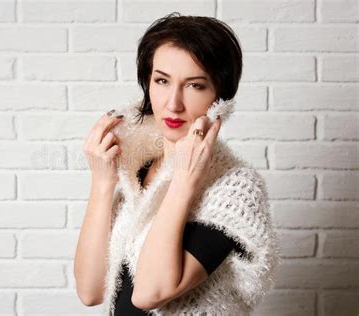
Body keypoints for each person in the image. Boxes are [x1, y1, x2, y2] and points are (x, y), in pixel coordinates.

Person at [74, 12, 279, 315]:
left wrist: (183, 183)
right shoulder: (137, 171)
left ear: (220, 98)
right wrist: (103, 184)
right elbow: (91, 291)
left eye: (195, 85)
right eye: (162, 81)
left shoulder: (234, 188)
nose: (173, 103)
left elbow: (149, 293)